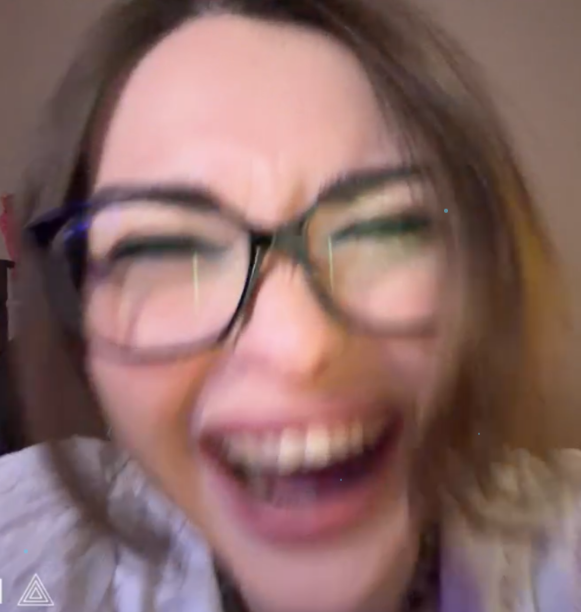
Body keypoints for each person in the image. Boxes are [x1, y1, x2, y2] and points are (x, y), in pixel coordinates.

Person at [0, 0, 579, 610]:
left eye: (382, 230)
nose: (300, 347)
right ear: (79, 332)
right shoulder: (31, 561)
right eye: (164, 248)